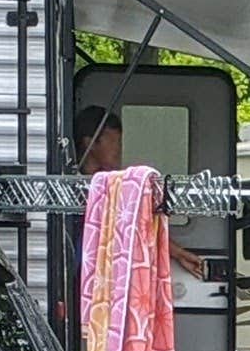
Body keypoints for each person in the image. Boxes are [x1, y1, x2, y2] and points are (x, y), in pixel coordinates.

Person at [80, 108, 208, 283]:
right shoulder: (76, 184)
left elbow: (139, 224)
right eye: (113, 142)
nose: (119, 149)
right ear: (90, 143)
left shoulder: (114, 185)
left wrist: (178, 253)